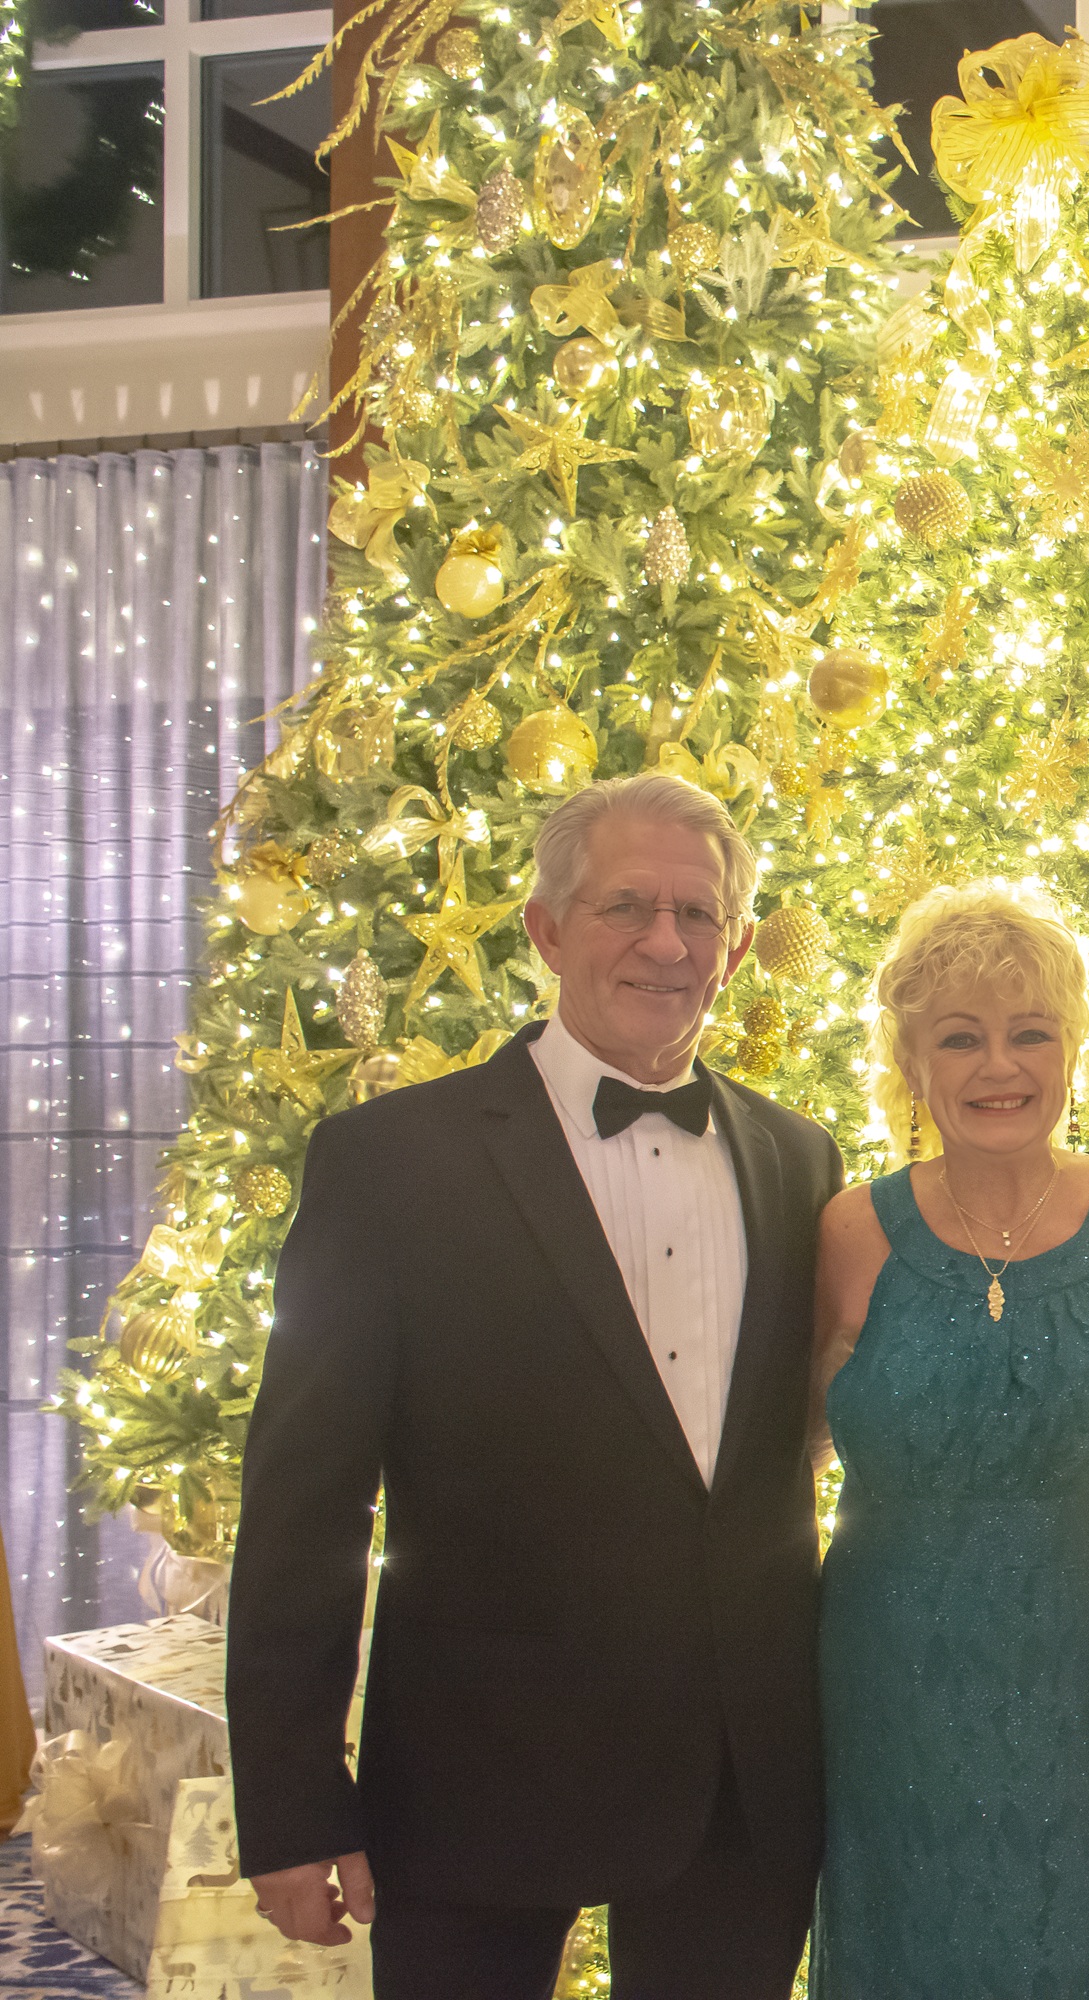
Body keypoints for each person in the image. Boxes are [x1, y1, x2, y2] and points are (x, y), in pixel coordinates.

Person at [230, 772, 844, 1998]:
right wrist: (292, 1802)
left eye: (699, 913)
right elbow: (306, 1500)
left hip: (740, 1782)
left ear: (734, 947)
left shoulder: (800, 1158)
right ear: (547, 929)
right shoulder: (390, 1162)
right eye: (627, 905)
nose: (666, 941)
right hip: (479, 1772)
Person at [808, 881, 1089, 1998]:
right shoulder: (849, 1234)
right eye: (961, 1037)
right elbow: (777, 1459)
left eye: (1031, 1032)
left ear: (1074, 1046)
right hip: (894, 1693)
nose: (999, 1066)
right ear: (910, 1061)